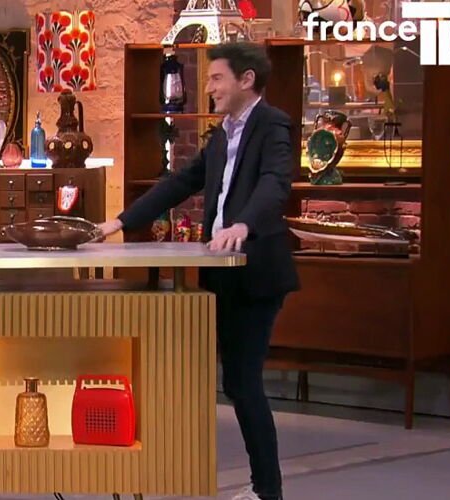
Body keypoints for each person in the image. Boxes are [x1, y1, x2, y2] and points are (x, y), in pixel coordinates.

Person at [97, 42, 299, 500]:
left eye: (217, 78)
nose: (209, 87)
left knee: (243, 384)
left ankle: (268, 491)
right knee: (230, 382)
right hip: (221, 273)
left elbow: (275, 184)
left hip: (256, 273)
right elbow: (180, 183)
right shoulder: (222, 134)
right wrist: (119, 222)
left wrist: (244, 224)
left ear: (246, 80)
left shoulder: (272, 125)